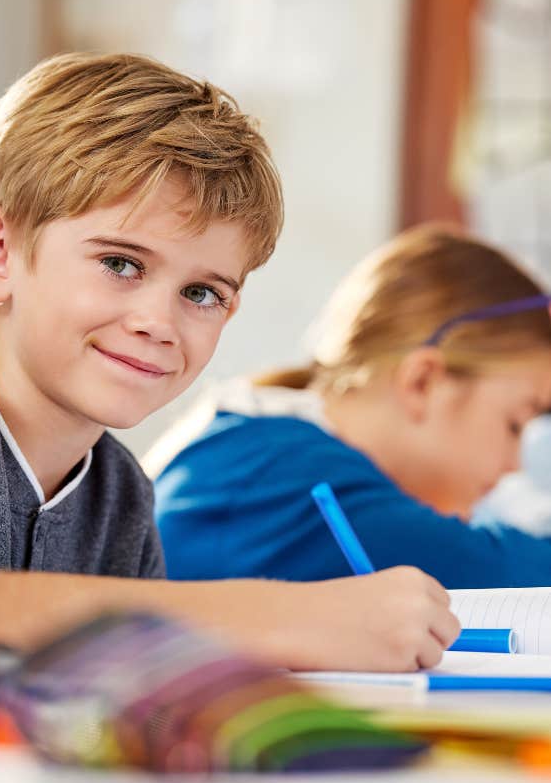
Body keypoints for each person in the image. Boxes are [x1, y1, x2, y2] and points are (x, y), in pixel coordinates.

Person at [0, 54, 459, 711]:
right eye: (121, 263)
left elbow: (129, 698)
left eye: (203, 293)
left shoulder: (120, 495)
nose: (159, 321)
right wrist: (293, 617)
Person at [152, 225, 551, 589]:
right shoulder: (285, 477)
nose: (514, 463)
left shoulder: (265, 445)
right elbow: (495, 571)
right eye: (514, 424)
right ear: (422, 382)